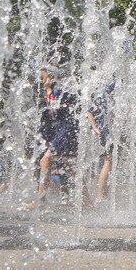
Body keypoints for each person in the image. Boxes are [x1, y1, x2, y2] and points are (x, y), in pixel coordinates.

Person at [28, 66, 78, 208]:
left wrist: (50, 91)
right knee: (69, 168)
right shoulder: (48, 93)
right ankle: (86, 201)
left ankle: (40, 200)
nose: (42, 82)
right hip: (56, 133)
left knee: (46, 161)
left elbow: (62, 112)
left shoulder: (59, 91)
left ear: (50, 77)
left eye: (43, 78)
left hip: (65, 132)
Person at [84, 81, 116, 202]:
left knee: (107, 162)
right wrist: (95, 127)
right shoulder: (107, 91)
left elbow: (89, 112)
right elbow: (89, 112)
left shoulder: (100, 93)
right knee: (108, 161)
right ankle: (100, 196)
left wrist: (94, 127)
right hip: (108, 132)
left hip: (106, 131)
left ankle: (103, 194)